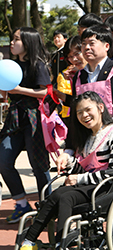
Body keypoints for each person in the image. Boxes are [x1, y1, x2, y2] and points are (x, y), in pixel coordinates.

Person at [19, 91, 113, 250]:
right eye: (79, 113)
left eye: (87, 110)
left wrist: (78, 179)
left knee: (66, 196)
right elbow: (84, 169)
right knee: (58, 193)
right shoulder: (88, 136)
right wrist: (69, 162)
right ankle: (30, 241)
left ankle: (59, 242)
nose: (84, 115)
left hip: (107, 188)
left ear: (100, 108)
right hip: (90, 185)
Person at [56, 25, 113, 172]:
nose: (87, 48)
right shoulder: (79, 76)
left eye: (92, 43)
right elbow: (74, 113)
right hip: (87, 141)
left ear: (106, 46)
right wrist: (69, 150)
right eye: (84, 44)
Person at [0, 27, 51, 223]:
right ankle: (21, 204)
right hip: (14, 117)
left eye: (16, 39)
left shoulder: (38, 65)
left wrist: (19, 89)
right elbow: (8, 92)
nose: (12, 43)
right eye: (12, 39)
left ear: (28, 43)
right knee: (3, 161)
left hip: (33, 117)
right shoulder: (10, 65)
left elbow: (45, 93)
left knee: (39, 165)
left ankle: (47, 206)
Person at [57, 36, 89, 123]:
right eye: (70, 57)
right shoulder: (76, 76)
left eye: (77, 53)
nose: (74, 59)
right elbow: (75, 101)